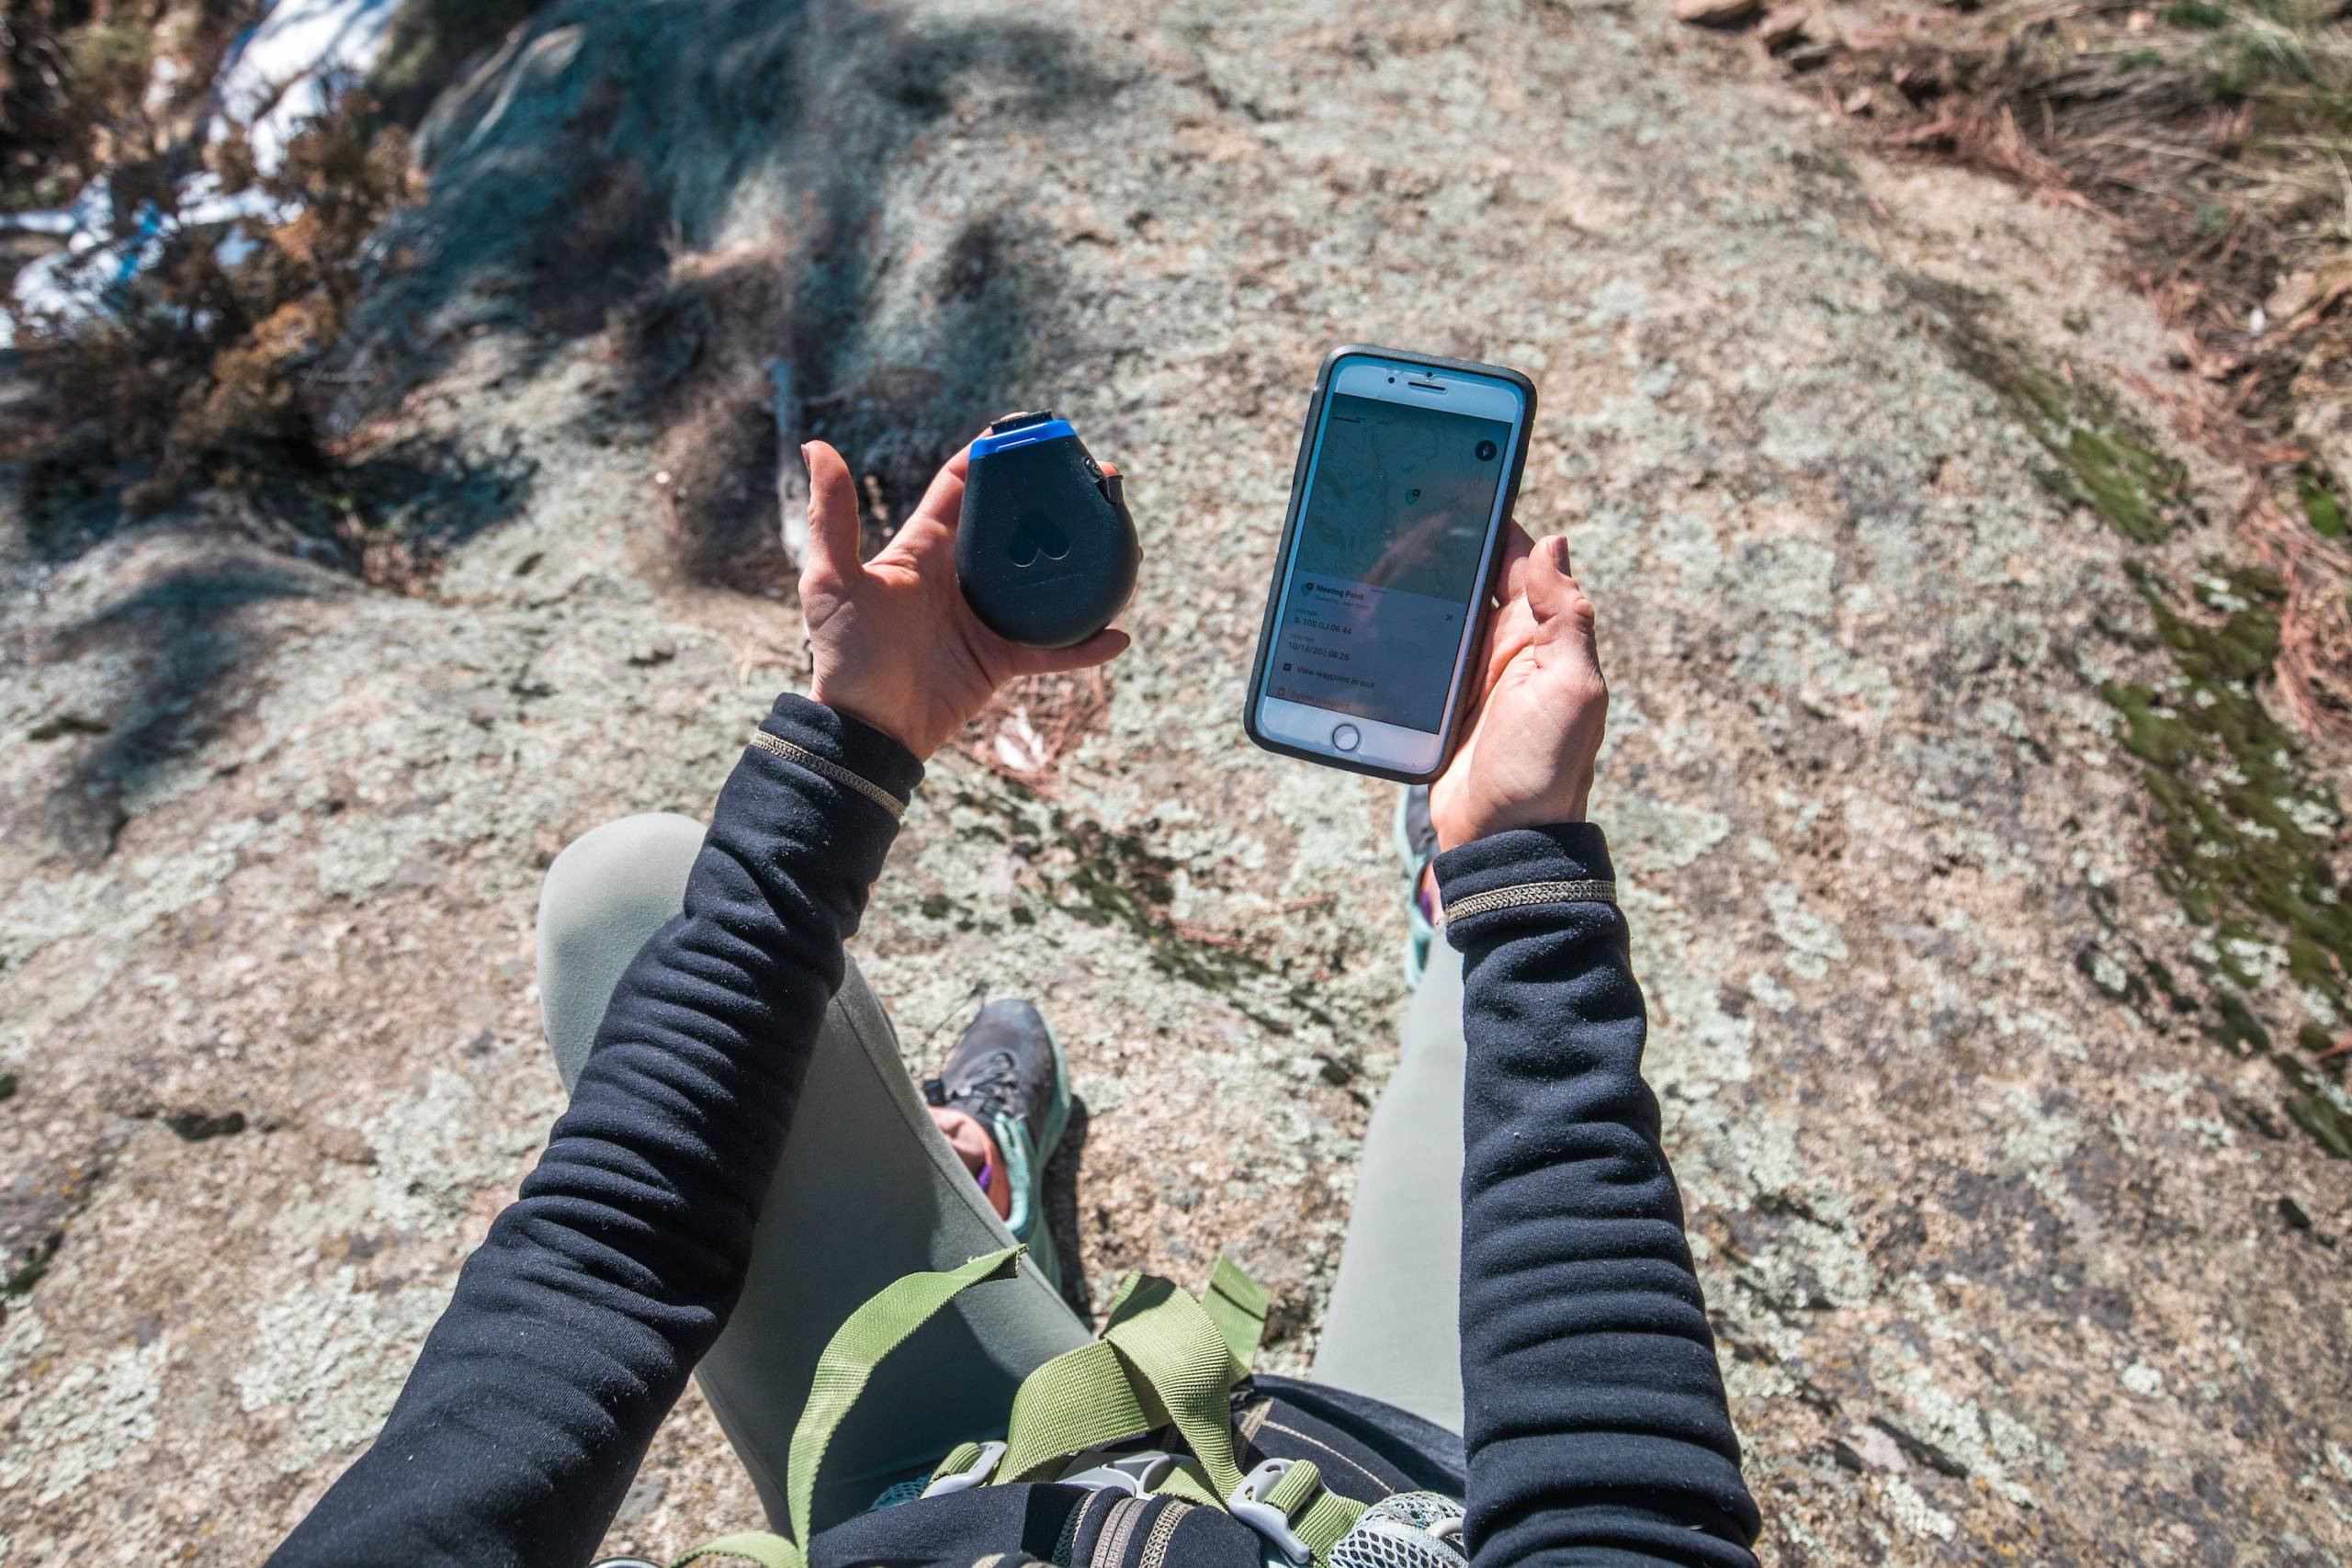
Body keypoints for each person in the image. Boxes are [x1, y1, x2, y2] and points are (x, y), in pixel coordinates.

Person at [266, 436, 1760, 1567]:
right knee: (1497, 1018)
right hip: (1403, 1485)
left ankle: (980, 1197)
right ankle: (1468, 904)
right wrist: (1525, 868)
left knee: (628, 904)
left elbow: (587, 1282)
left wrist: (862, 741)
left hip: (949, 1489)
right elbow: (1625, 1506)